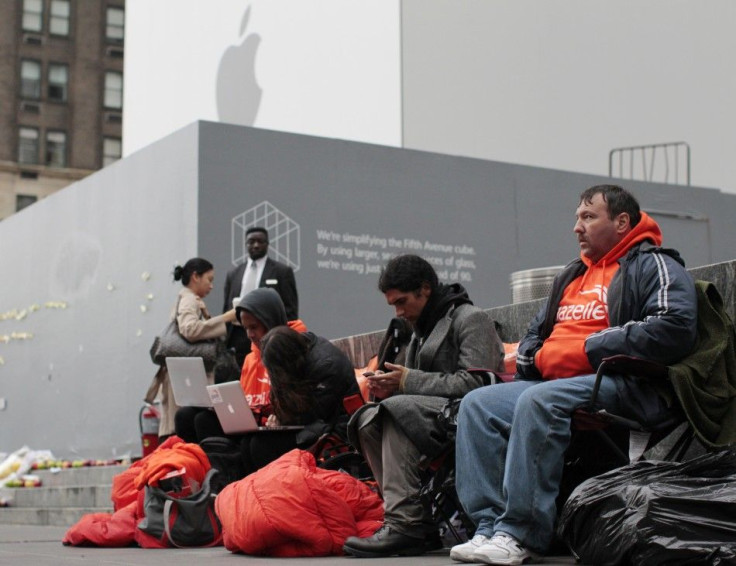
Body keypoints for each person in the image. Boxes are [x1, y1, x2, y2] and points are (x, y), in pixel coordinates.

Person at [450, 185, 698, 565]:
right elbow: (535, 334)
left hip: (626, 384)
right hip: (560, 385)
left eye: (588, 217)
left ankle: (521, 534)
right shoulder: (571, 274)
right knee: (478, 404)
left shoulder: (655, 264)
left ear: (621, 222)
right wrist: (535, 357)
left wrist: (589, 348)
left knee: (538, 399)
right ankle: (489, 527)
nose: (576, 228)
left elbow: (675, 326)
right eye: (577, 218)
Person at [342, 254, 504, 558]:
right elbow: (414, 385)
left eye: (402, 302)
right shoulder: (422, 327)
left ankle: (406, 524)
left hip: (468, 415)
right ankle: (414, 523)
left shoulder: (471, 319)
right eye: (393, 305)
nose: (399, 312)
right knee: (367, 419)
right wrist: (389, 383)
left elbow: (479, 385)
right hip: (433, 415)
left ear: (425, 289)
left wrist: (405, 381)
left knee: (396, 411)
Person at [174, 288, 306, 442]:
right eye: (246, 328)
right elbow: (244, 404)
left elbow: (298, 406)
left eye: (254, 327)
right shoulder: (250, 358)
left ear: (269, 321)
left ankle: (223, 463)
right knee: (190, 416)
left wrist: (280, 417)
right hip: (251, 425)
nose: (249, 334)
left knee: (254, 442)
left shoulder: (292, 349)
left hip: (275, 430)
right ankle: (203, 463)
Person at [239, 325, 360, 474]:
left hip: (334, 429)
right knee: (247, 442)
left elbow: (317, 414)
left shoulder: (326, 366)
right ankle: (260, 492)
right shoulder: (295, 354)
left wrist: (281, 420)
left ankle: (280, 489)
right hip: (312, 422)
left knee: (261, 445)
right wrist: (277, 417)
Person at [146, 258, 237, 439]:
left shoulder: (186, 298)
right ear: (195, 276)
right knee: (181, 427)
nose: (211, 286)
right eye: (209, 280)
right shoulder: (189, 299)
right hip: (185, 375)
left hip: (181, 373)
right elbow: (189, 329)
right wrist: (226, 318)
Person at [223, 227, 299, 367]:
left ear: (267, 244)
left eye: (260, 241)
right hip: (239, 338)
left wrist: (281, 338)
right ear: (246, 244)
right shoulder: (234, 274)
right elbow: (226, 308)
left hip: (268, 335)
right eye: (251, 241)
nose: (256, 245)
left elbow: (290, 309)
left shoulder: (282, 271)